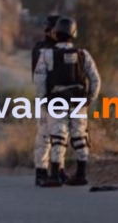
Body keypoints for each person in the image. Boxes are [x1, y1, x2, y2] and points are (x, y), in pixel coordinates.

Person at [34, 17, 101, 187]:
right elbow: (95, 79)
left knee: (58, 137)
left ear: (56, 34)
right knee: (79, 137)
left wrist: (43, 100)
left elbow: (39, 80)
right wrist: (90, 98)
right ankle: (81, 174)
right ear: (74, 33)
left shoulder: (46, 54)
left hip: (56, 101)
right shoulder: (83, 54)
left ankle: (55, 176)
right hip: (78, 101)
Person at [31, 14, 63, 186]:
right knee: (44, 136)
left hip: (63, 99)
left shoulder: (64, 47)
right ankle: (41, 171)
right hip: (46, 97)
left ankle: (59, 170)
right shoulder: (41, 49)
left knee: (61, 136)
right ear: (49, 30)